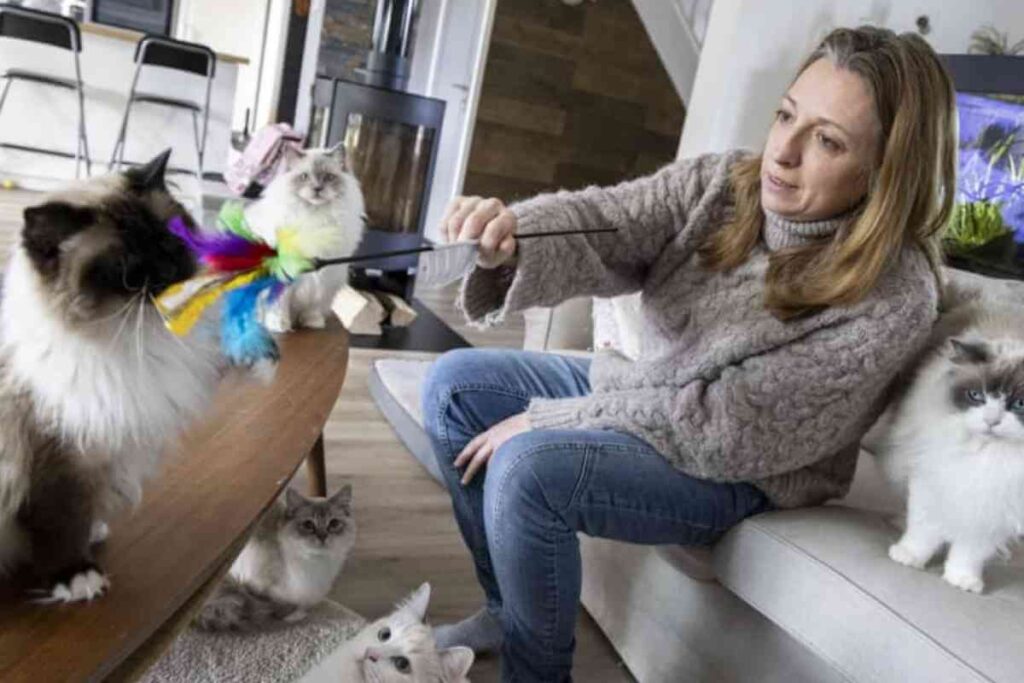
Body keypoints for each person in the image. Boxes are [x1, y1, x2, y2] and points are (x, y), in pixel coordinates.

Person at [422, 25, 956, 683]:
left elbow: (728, 423)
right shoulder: (722, 184)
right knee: (452, 384)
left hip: (748, 466)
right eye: (786, 114)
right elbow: (608, 221)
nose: (781, 153)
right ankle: (507, 611)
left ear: (886, 171)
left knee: (527, 466)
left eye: (827, 140)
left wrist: (552, 417)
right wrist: (513, 237)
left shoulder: (896, 292)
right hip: (652, 394)